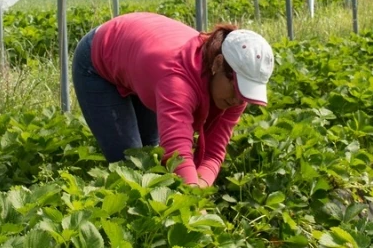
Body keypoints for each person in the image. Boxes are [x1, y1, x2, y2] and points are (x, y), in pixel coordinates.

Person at [72, 13, 276, 188]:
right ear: (218, 63)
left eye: (245, 94)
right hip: (99, 58)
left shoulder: (236, 94)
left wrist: (199, 187)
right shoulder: (177, 83)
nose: (237, 100)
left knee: (154, 157)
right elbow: (177, 154)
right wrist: (192, 199)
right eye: (236, 88)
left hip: (144, 57)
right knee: (131, 166)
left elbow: (213, 154)